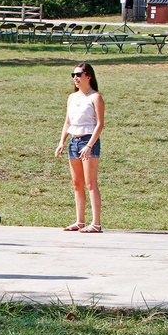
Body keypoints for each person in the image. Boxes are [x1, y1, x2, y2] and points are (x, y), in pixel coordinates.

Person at [55, 63, 104, 233]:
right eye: (73, 75)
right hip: (74, 142)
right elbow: (68, 121)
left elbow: (100, 124)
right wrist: (62, 142)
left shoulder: (95, 97)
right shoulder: (72, 97)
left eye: (78, 74)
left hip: (88, 140)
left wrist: (90, 145)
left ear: (88, 76)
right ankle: (79, 221)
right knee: (77, 184)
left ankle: (96, 223)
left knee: (90, 183)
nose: (75, 78)